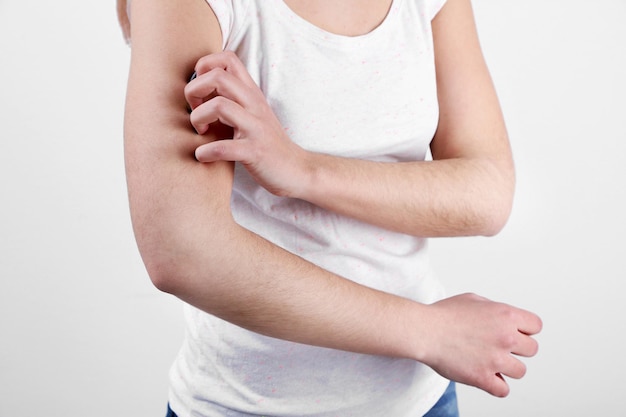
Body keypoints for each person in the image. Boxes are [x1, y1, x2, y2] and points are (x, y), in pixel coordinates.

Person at [117, 0, 542, 416]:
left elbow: (487, 193)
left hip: (421, 401)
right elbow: (183, 251)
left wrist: (305, 170)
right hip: (245, 406)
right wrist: (430, 333)